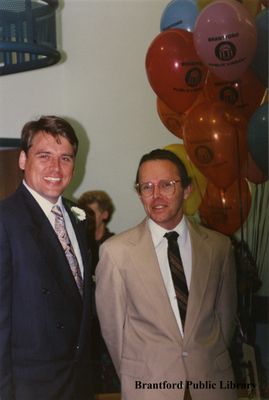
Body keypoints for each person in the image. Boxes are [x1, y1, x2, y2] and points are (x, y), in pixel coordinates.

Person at [95, 148, 238, 400]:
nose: (156, 195)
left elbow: (224, 321)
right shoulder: (115, 253)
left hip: (211, 384)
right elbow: (113, 332)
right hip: (150, 387)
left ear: (187, 189)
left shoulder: (218, 248)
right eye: (146, 187)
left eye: (166, 185)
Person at [0, 116, 93, 400]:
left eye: (65, 158)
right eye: (44, 156)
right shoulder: (5, 220)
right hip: (30, 389)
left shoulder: (77, 219)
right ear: (22, 160)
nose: (56, 168)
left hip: (77, 383)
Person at [78, 190, 120, 394]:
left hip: (110, 322)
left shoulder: (117, 246)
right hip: (86, 323)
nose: (88, 218)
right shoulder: (77, 246)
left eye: (92, 213)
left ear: (104, 214)